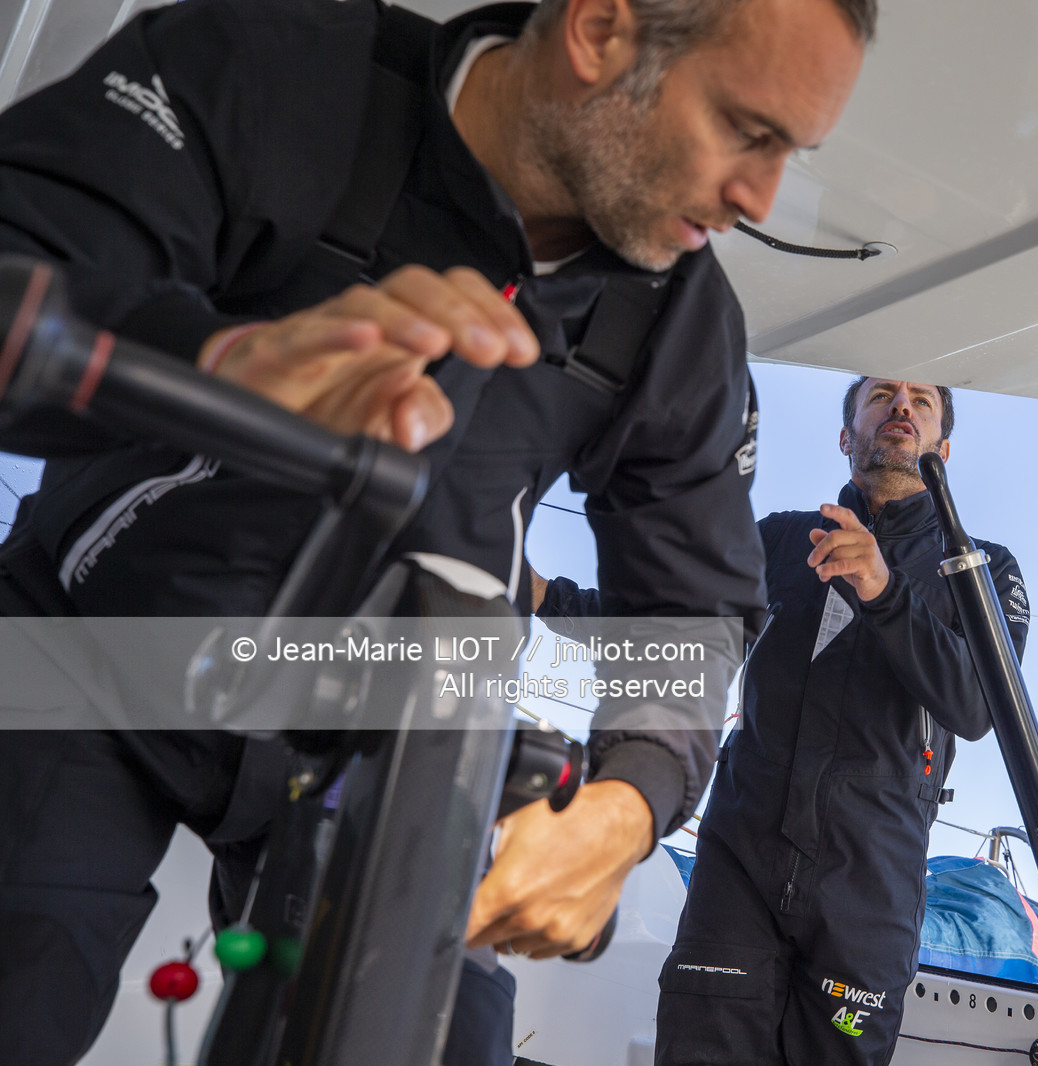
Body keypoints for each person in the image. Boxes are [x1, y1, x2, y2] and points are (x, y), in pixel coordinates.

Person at [0, 0, 873, 1061]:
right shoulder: (266, 66)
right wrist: (216, 365)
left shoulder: (684, 326)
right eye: (747, 129)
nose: (761, 199)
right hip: (87, 653)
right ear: (600, 31)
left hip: (390, 728)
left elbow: (691, 608)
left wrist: (630, 803)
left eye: (790, 151)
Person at [534, 377, 1030, 1065]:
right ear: (845, 434)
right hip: (740, 867)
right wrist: (538, 595)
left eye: (922, 398)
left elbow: (980, 706)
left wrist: (884, 592)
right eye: (882, 392)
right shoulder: (779, 540)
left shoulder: (982, 569)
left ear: (943, 446)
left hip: (870, 890)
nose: (902, 405)